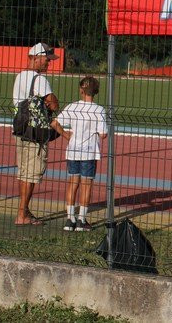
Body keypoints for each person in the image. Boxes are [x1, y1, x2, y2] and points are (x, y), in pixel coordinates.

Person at [12, 42, 60, 226]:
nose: (48, 63)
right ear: (36, 57)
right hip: (35, 132)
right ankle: (22, 214)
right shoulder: (39, 80)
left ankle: (23, 210)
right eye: (47, 60)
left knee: (24, 172)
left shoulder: (19, 77)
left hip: (21, 129)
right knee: (32, 173)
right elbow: (53, 102)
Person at [54, 76, 108, 232]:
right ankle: (81, 220)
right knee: (87, 185)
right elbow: (103, 134)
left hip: (73, 150)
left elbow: (55, 123)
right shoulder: (99, 110)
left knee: (73, 183)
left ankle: (70, 219)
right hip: (89, 152)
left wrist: (66, 135)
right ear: (96, 91)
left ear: (81, 90)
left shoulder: (73, 107)